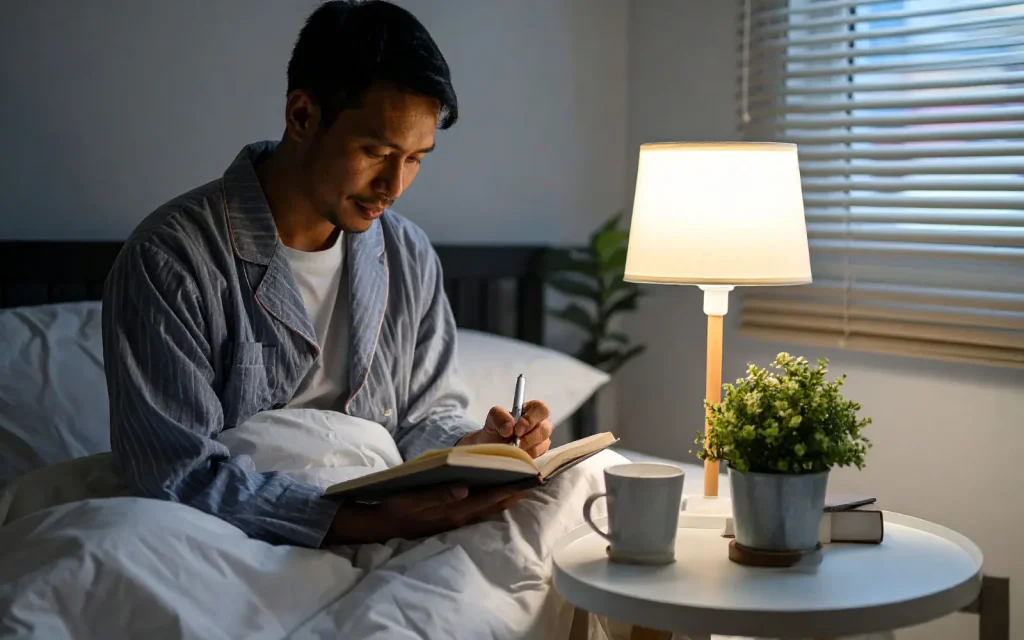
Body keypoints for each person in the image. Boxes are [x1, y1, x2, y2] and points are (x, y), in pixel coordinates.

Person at [101, 0, 553, 549]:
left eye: (415, 158)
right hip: (231, 539)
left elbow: (424, 417)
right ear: (302, 116)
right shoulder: (171, 260)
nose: (394, 185)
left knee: (574, 496)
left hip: (396, 513)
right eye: (375, 151)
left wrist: (483, 445)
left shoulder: (407, 254)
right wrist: (364, 524)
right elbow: (178, 471)